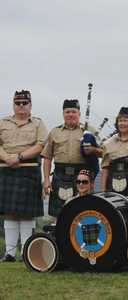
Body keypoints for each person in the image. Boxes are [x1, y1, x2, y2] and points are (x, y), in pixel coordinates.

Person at [0, 90, 48, 262]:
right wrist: (7, 157)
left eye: (24, 103)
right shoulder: (3, 122)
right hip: (6, 167)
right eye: (18, 103)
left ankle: (26, 252)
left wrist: (19, 156)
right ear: (13, 105)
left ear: (30, 105)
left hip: (29, 167)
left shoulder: (37, 123)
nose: (21, 106)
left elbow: (41, 145)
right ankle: (10, 254)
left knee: (27, 213)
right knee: (10, 212)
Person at [41, 99, 101, 218]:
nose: (70, 115)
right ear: (63, 113)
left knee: (82, 213)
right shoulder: (54, 132)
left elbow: (103, 152)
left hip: (81, 175)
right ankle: (58, 236)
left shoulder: (89, 131)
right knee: (59, 215)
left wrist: (92, 150)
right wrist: (47, 180)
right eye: (67, 112)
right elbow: (47, 157)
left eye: (74, 112)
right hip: (59, 174)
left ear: (79, 114)